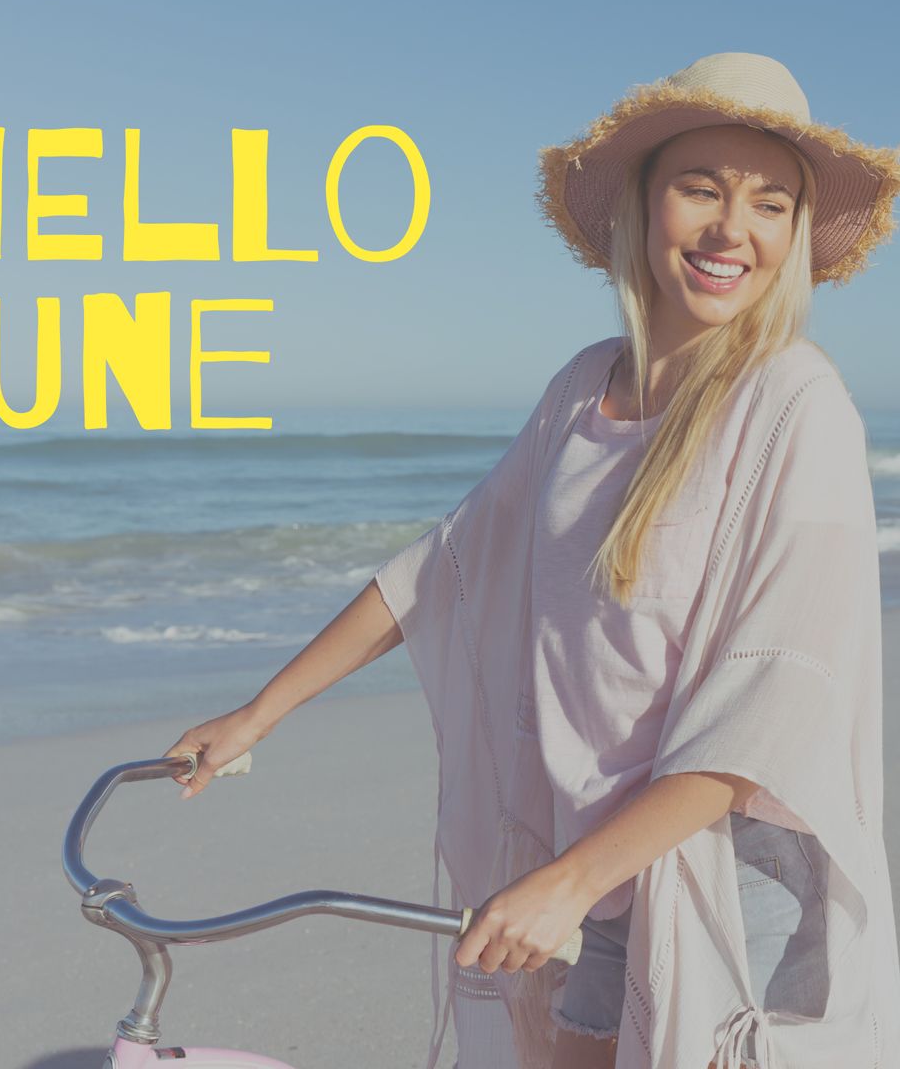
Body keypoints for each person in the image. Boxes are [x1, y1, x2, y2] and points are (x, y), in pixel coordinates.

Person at [164, 52, 900, 1068]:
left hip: (727, 878)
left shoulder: (793, 402)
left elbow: (771, 703)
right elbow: (444, 567)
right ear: (644, 204)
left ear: (795, 232)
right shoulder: (582, 389)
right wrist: (260, 712)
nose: (734, 229)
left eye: (771, 204)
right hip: (582, 856)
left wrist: (573, 881)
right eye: (702, 189)